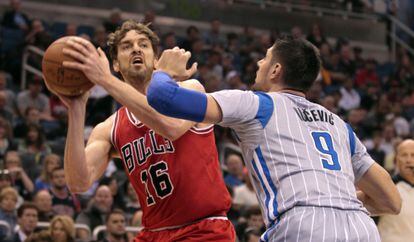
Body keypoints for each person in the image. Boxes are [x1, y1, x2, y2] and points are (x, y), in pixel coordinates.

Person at [146, 36, 402, 241]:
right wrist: (336, 200)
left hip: (302, 226)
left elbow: (163, 97)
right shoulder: (338, 124)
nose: (258, 63)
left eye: (265, 58)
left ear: (276, 69)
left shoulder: (256, 104)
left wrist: (163, 72)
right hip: (362, 228)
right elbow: (391, 200)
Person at [55, 20, 234, 241]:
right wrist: (76, 108)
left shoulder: (188, 89)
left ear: (157, 61)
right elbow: (77, 182)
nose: (136, 49)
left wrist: (105, 79)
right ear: (116, 64)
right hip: (153, 233)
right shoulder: (109, 128)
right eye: (127, 46)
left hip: (203, 229)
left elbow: (170, 127)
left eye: (143, 44)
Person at [377, 139, 414, 241]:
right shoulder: (384, 187)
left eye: (413, 155)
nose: (409, 160)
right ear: (396, 160)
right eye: (404, 155)